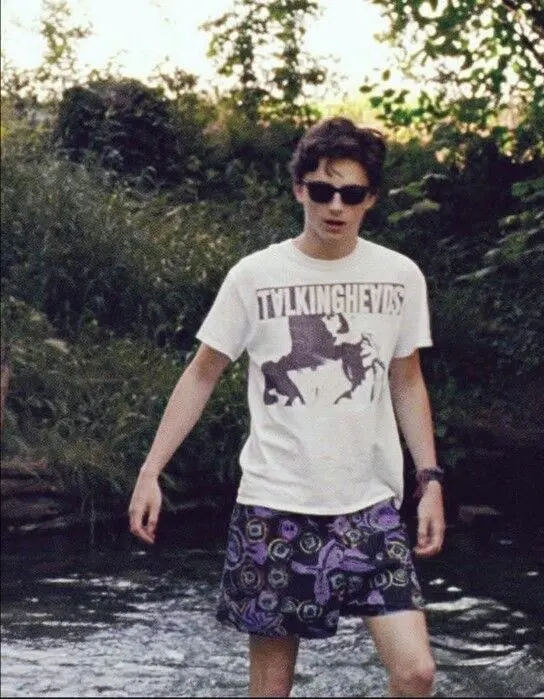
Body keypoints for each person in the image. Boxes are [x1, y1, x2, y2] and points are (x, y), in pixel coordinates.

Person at [128, 117, 445, 697]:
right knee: (272, 689)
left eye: (351, 193)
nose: (335, 206)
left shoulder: (400, 277)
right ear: (300, 189)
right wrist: (151, 470)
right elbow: (202, 373)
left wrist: (429, 480)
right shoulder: (255, 276)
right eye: (322, 190)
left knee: (416, 672)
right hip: (276, 504)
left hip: (369, 505)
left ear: (370, 199)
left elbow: (407, 381)